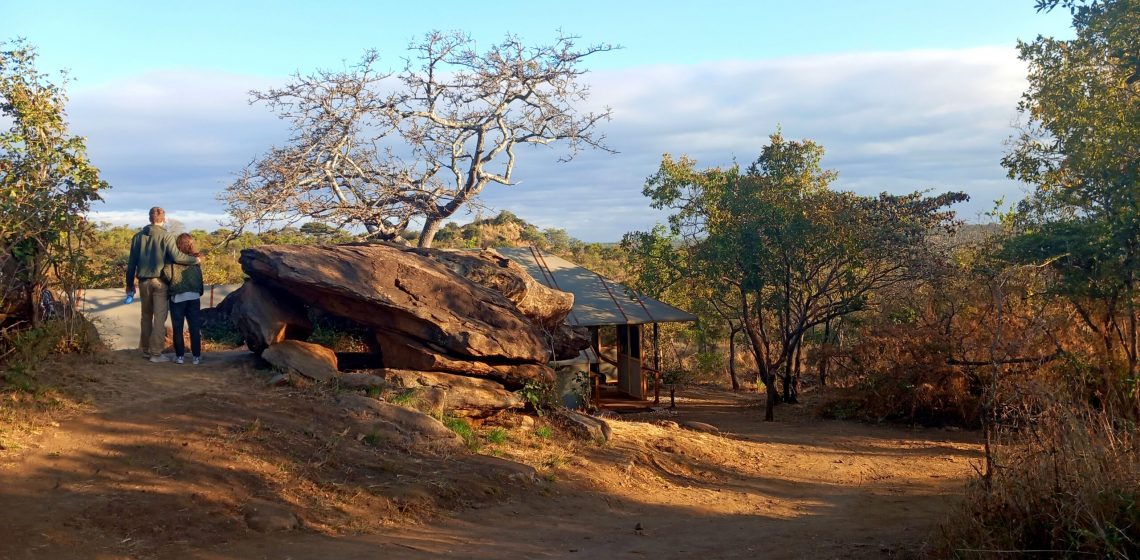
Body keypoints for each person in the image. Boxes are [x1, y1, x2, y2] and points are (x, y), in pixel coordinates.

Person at [125, 207, 199, 363]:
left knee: (145, 316)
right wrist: (195, 260)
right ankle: (156, 354)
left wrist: (129, 284)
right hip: (160, 282)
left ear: (149, 218)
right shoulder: (167, 236)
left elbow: (131, 263)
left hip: (143, 282)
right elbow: (177, 256)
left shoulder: (137, 237)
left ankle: (145, 350)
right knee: (159, 318)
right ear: (163, 219)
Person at [165, 233, 204, 365]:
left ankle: (180, 356)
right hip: (194, 296)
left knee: (178, 328)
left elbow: (166, 273)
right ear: (191, 244)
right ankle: (196, 357)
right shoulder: (196, 259)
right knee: (194, 327)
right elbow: (199, 277)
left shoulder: (172, 259)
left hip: (177, 296)